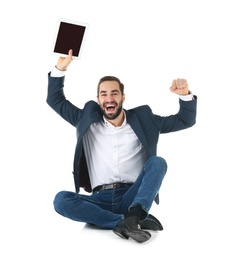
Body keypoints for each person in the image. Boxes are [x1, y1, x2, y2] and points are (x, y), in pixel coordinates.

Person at [47, 49, 197, 243]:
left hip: (132, 196)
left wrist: (184, 95)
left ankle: (134, 214)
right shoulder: (85, 119)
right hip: (98, 200)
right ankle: (126, 222)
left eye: (114, 93)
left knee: (158, 163)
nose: (109, 98)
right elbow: (55, 99)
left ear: (123, 97)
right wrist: (60, 68)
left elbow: (185, 120)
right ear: (99, 100)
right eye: (104, 94)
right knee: (61, 200)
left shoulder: (144, 120)